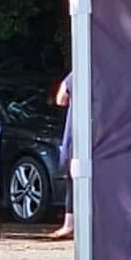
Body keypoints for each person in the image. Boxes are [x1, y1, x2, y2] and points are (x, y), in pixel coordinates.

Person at [48, 74, 73, 239]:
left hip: (78, 134)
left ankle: (69, 224)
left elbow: (60, 99)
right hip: (106, 133)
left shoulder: (78, 72)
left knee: (73, 178)